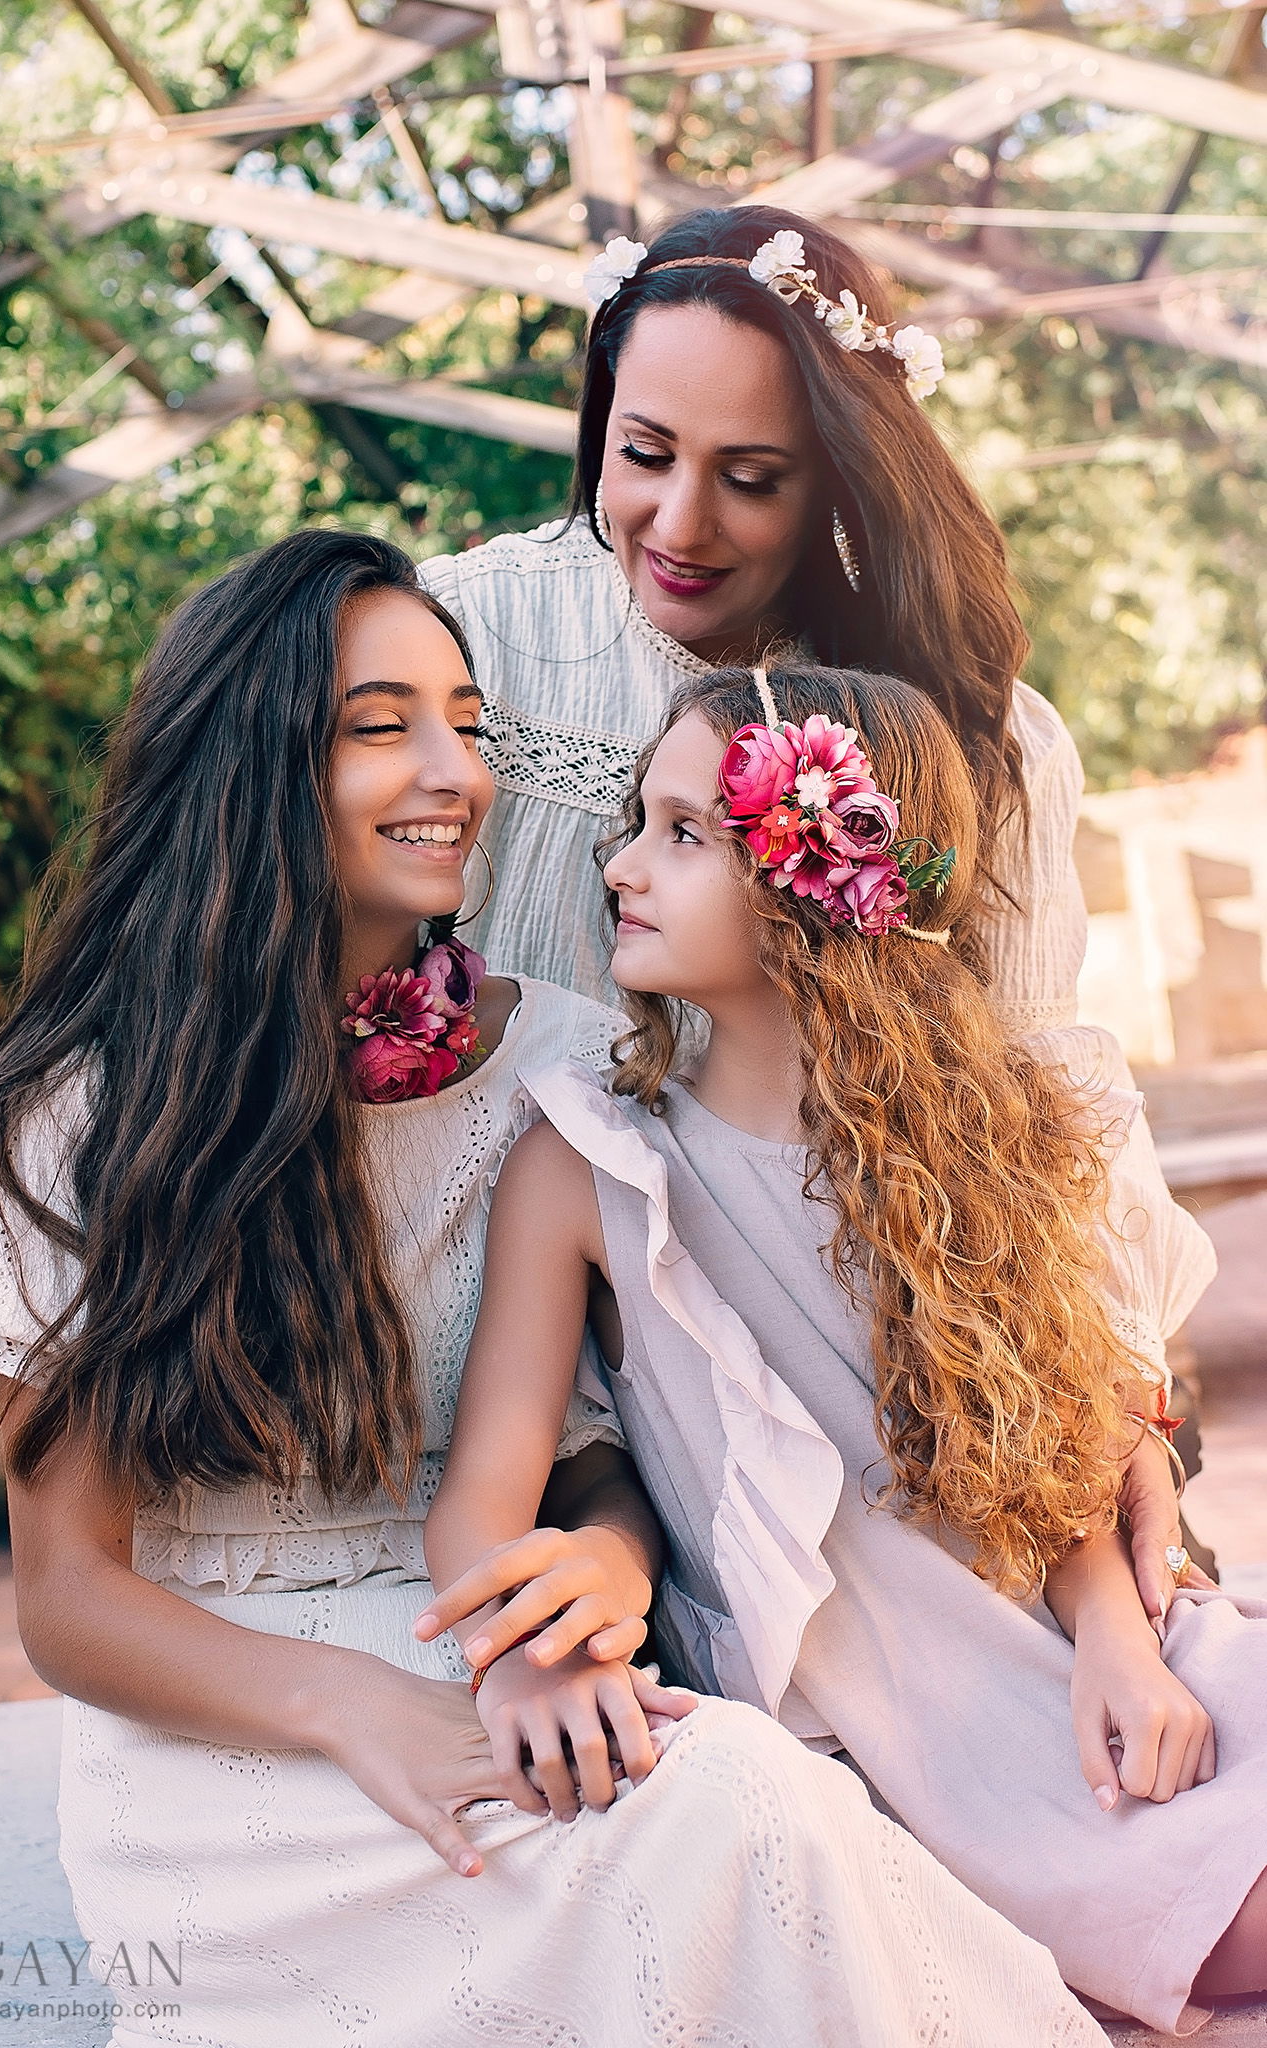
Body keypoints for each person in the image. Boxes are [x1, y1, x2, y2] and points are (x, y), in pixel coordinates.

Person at [0, 534, 1104, 2048]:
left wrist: (598, 1577)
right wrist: (354, 1710)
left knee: (752, 1808)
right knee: (725, 1826)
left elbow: (597, 1449)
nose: (452, 771)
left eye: (469, 725)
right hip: (222, 1736)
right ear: (249, 762)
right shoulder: (86, 1117)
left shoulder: (552, 1065)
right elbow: (67, 1597)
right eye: (379, 725)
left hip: (500, 1655)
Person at [425, 658, 1267, 2037]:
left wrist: (1121, 1633)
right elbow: (482, 1501)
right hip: (917, 1754)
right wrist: (529, 1658)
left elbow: (1047, 1453)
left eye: (686, 833)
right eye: (640, 821)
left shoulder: (994, 1136)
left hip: (1102, 1687)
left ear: (814, 885)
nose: (626, 866)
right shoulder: (591, 1168)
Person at [417, 203, 1215, 1610]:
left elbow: (1032, 1089)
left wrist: (1116, 1396)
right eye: (644, 456)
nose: (680, 523)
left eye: (755, 478)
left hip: (844, 1368)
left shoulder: (977, 736)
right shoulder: (462, 642)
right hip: (505, 1338)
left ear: (844, 478)